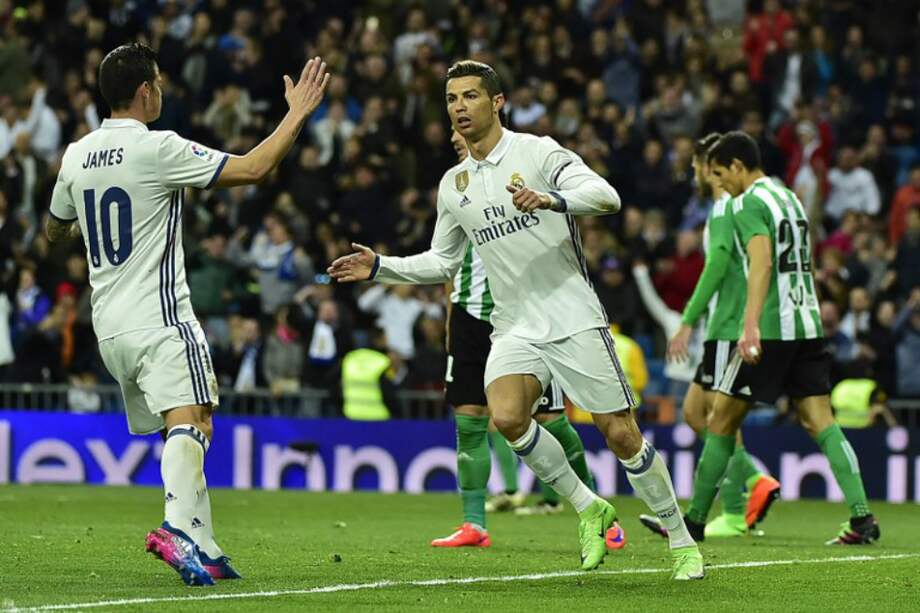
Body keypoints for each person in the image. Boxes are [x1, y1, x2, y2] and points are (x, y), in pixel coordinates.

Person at [329, 60, 703, 579]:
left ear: (497, 102)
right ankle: (589, 506)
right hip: (513, 325)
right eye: (451, 99)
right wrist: (380, 267)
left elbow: (608, 197)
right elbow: (443, 262)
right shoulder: (454, 184)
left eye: (470, 96)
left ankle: (682, 541)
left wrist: (552, 199)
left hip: (572, 316)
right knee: (506, 417)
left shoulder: (538, 152)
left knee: (620, 434)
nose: (459, 107)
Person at [45, 43, 329, 585]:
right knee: (192, 419)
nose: (162, 91)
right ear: (145, 91)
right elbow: (254, 168)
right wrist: (297, 113)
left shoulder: (76, 155)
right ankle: (177, 528)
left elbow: (55, 229)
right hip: (160, 317)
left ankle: (204, 542)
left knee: (188, 424)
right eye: (158, 82)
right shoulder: (158, 147)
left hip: (109, 326)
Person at [679, 131, 878, 545]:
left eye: (722, 174)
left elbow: (762, 263)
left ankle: (694, 521)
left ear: (738, 166)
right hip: (807, 324)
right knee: (820, 421)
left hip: (771, 328)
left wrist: (750, 325)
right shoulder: (789, 198)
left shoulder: (749, 202)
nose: (722, 185)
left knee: (720, 421)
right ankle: (862, 519)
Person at [434, 130, 608, 548]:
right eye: (454, 136)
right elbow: (446, 262)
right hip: (469, 317)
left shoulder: (519, 172)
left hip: (525, 318)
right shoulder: (453, 191)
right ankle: (474, 524)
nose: (458, 139)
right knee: (469, 420)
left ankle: (594, 509)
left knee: (551, 420)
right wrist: (450, 320)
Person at [642, 134, 779, 541]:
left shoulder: (724, 208)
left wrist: (688, 321)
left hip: (727, 328)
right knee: (696, 413)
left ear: (709, 166)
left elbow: (717, 268)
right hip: (724, 326)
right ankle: (750, 483)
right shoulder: (730, 208)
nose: (694, 175)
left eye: (697, 167)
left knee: (717, 418)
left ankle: (735, 505)